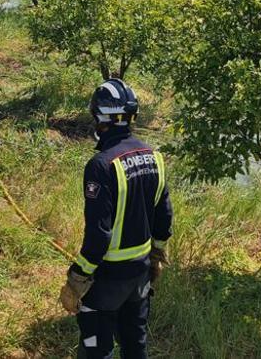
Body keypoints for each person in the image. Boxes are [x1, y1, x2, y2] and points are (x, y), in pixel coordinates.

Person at [60, 78, 173, 358]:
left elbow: (99, 234)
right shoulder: (155, 157)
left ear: (101, 118)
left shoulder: (101, 165)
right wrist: (157, 254)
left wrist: (78, 276)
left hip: (108, 278)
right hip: (141, 273)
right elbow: (164, 216)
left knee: (96, 350)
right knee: (135, 345)